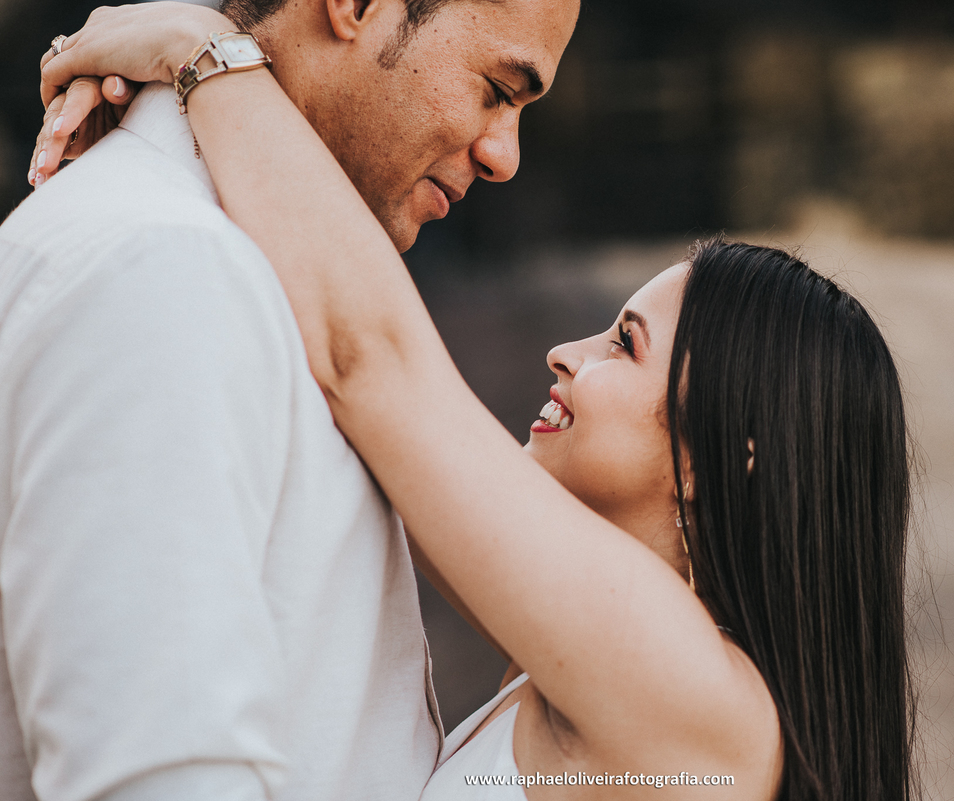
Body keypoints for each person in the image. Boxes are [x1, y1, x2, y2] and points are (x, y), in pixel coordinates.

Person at [34, 5, 918, 801]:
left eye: (624, 344)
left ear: (725, 455)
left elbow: (371, 359)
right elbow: (382, 435)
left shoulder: (698, 709)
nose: (564, 354)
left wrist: (195, 49)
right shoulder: (604, 674)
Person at [1, 1, 577, 800]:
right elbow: (162, 774)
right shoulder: (168, 270)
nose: (503, 154)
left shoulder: (238, 270)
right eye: (496, 90)